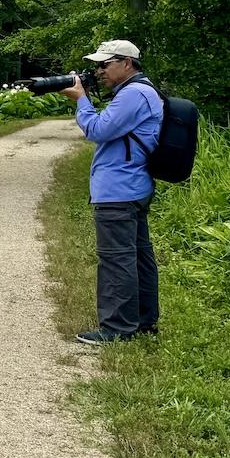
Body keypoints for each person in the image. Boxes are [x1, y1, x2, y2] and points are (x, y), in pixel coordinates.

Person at [61, 39, 163, 344]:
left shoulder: (133, 95)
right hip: (132, 186)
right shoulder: (142, 91)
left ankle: (117, 328)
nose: (99, 70)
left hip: (119, 190)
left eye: (105, 64)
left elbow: (97, 130)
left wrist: (81, 99)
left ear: (127, 64)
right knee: (138, 256)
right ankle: (144, 321)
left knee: (116, 259)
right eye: (97, 65)